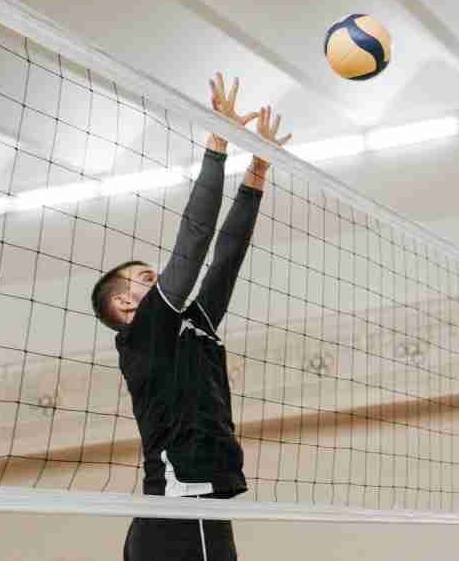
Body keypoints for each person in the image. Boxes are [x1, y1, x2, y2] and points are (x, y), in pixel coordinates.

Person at [91, 73, 290, 561]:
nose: (154, 276)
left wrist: (259, 168)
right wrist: (218, 142)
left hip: (192, 511)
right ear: (125, 306)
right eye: (142, 277)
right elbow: (195, 237)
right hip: (184, 511)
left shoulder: (192, 326)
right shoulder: (144, 334)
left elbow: (226, 257)